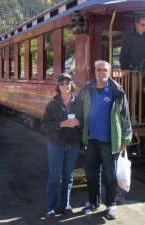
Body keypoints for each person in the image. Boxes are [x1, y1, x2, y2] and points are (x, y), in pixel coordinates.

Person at [78, 60, 132, 219]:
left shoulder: (117, 92)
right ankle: (93, 203)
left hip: (110, 141)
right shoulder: (87, 90)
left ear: (109, 72)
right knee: (92, 174)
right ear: (94, 72)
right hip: (91, 140)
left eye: (104, 70)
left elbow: (125, 118)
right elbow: (80, 112)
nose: (101, 73)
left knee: (110, 174)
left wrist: (125, 141)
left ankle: (111, 205)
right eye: (98, 70)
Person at [41, 73, 82, 219]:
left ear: (72, 85)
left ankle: (66, 205)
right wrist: (62, 124)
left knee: (68, 177)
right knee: (54, 176)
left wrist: (79, 123)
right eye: (62, 83)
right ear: (58, 86)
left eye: (68, 82)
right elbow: (44, 125)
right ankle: (50, 207)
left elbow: (84, 120)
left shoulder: (79, 102)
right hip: (56, 145)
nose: (65, 85)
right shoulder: (52, 104)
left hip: (73, 144)